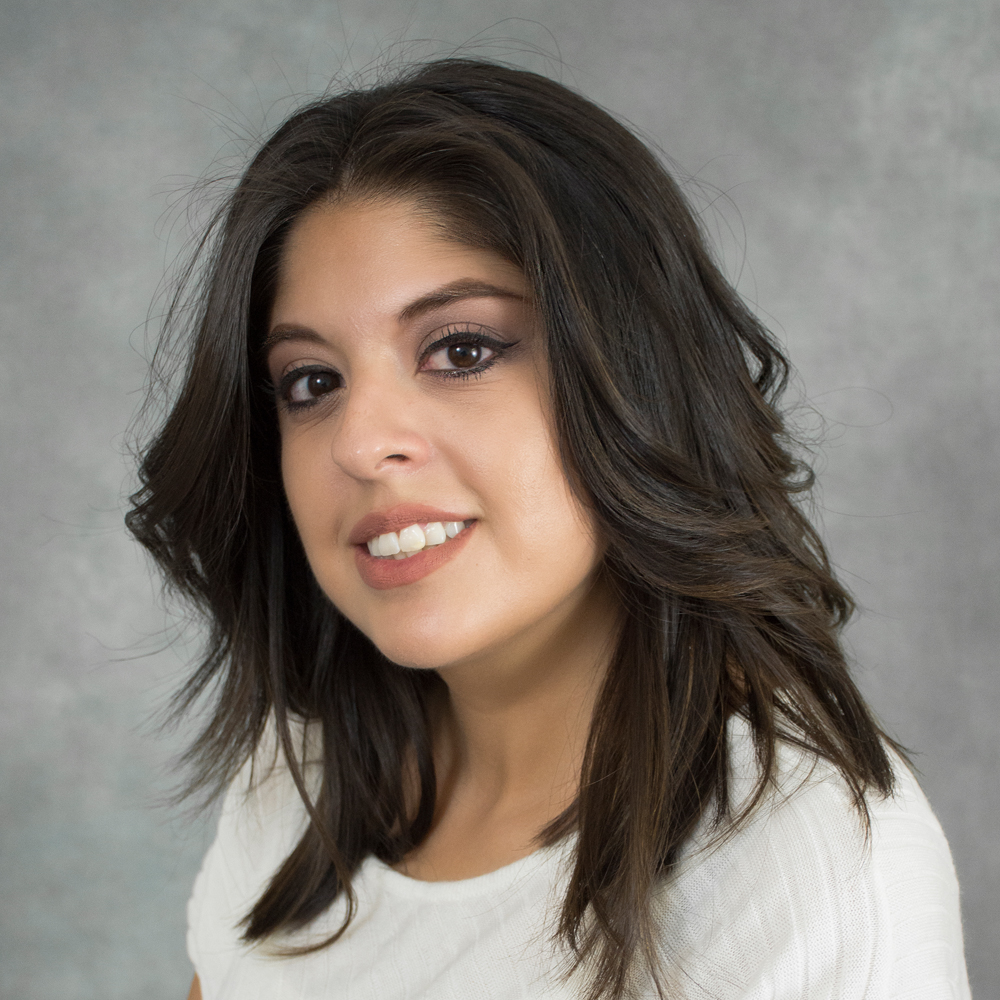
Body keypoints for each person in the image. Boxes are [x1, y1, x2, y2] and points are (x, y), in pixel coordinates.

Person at [127, 58, 971, 1000]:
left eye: (461, 350)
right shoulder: (294, 787)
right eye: (311, 382)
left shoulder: (804, 862)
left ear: (635, 374)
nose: (359, 443)